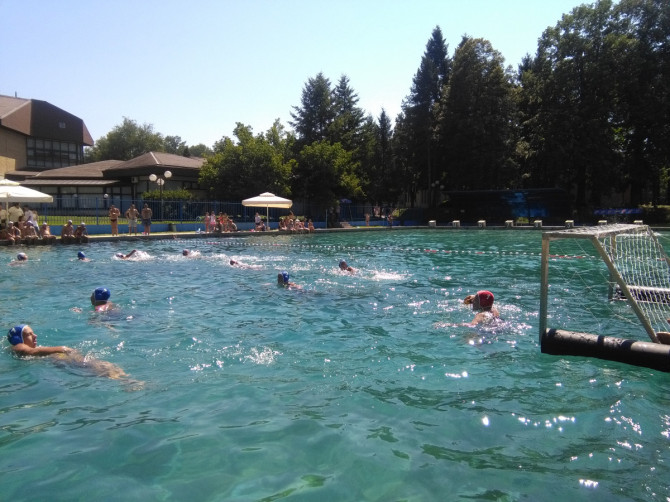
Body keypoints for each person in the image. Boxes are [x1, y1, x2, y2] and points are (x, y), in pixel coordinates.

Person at [7, 324, 135, 382]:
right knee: (92, 365)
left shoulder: (21, 348)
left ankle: (124, 379)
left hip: (59, 360)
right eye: (30, 334)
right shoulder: (18, 347)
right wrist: (62, 348)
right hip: (60, 358)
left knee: (92, 365)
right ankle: (125, 379)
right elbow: (31, 351)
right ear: (19, 338)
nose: (35, 336)